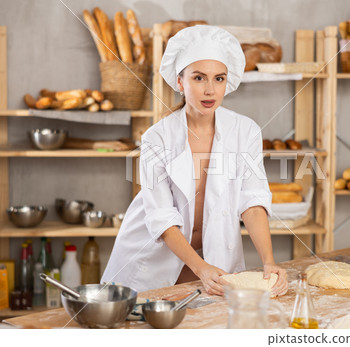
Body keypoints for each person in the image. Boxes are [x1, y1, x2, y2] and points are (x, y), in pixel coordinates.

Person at [101, 25, 288, 297]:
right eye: (199, 78)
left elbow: (253, 201)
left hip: (213, 260)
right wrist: (201, 268)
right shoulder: (157, 138)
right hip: (155, 261)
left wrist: (269, 262)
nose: (210, 90)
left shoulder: (246, 131)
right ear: (180, 82)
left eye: (219, 79)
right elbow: (162, 218)